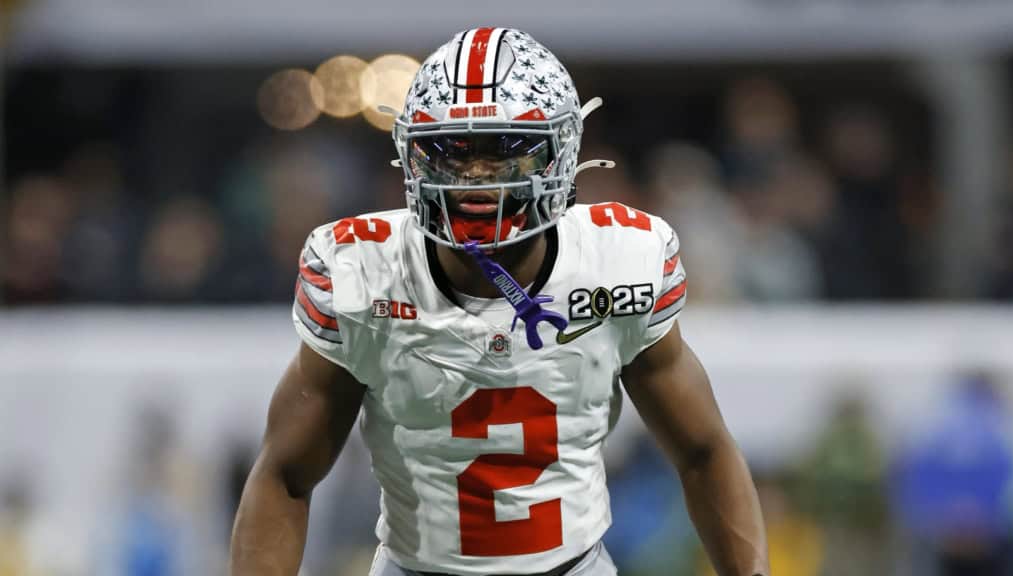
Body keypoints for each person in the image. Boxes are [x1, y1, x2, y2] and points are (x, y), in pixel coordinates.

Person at [230, 28, 769, 576]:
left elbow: (703, 451)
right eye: (452, 150)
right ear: (412, 154)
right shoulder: (364, 272)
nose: (475, 176)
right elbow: (285, 475)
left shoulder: (619, 263)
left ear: (560, 153)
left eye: (505, 149)